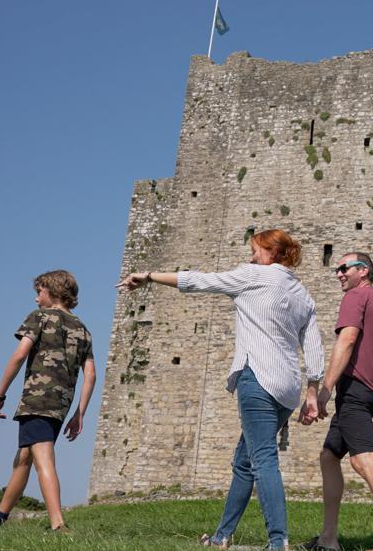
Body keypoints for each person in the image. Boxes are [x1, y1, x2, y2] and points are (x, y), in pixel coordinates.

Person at [117, 229, 324, 551]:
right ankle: (221, 536)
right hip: (288, 388)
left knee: (263, 460)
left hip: (257, 377)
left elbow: (199, 281)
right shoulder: (302, 294)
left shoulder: (252, 276)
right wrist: (312, 392)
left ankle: (278, 540)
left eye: (256, 250)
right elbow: (313, 346)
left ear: (273, 253)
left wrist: (148, 276)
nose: (251, 256)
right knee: (245, 461)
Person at [302, 252, 373, 551]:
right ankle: (328, 539)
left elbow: (348, 340)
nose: (339, 274)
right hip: (371, 392)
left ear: (363, 271)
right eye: (337, 270)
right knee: (330, 455)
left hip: (355, 390)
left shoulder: (357, 297)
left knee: (362, 458)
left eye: (344, 268)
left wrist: (325, 389)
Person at [0, 270, 96, 530]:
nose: (36, 299)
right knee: (24, 457)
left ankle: (58, 524)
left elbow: (19, 355)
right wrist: (79, 413)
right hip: (62, 404)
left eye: (40, 292)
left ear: (54, 292)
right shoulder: (83, 329)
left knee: (43, 457)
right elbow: (90, 375)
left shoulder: (39, 318)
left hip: (37, 399)